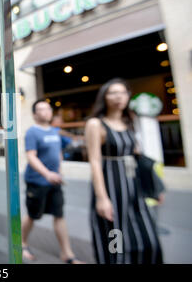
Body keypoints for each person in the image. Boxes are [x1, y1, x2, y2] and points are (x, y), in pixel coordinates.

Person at [84, 78, 163, 264]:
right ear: (104, 96)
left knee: (148, 238)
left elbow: (139, 157)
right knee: (115, 236)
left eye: (123, 92)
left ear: (128, 96)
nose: (118, 97)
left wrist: (155, 186)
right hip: (112, 187)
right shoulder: (96, 124)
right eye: (113, 92)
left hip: (135, 188)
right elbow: (94, 162)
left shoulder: (129, 122)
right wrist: (102, 198)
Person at [21, 99, 84, 264]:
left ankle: (67, 254)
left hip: (54, 182)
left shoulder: (55, 132)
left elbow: (58, 154)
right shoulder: (32, 132)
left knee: (59, 215)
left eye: (48, 109)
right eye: (41, 109)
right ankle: (21, 243)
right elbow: (31, 156)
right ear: (35, 114)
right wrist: (47, 174)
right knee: (33, 216)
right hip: (37, 182)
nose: (46, 112)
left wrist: (59, 173)